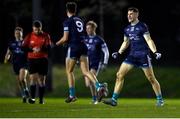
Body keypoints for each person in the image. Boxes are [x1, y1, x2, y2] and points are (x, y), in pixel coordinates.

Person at [103, 7, 164, 106]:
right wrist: (119, 52)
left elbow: (149, 40)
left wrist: (155, 51)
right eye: (128, 14)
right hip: (132, 56)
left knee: (151, 79)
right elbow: (126, 42)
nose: (129, 16)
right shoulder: (127, 29)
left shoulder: (142, 26)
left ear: (136, 14)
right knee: (119, 75)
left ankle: (160, 100)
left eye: (131, 14)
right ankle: (114, 100)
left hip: (143, 55)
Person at [56, 2, 108, 103]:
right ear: (75, 10)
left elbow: (65, 38)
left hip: (75, 47)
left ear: (67, 11)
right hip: (83, 46)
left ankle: (72, 95)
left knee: (69, 71)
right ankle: (99, 86)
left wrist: (56, 44)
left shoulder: (67, 21)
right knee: (86, 71)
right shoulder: (80, 20)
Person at [22, 20, 52, 104]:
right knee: (32, 78)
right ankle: (32, 98)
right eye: (35, 29)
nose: (37, 31)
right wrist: (32, 49)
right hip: (32, 59)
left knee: (41, 80)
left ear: (41, 28)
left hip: (43, 59)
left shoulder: (46, 36)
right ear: (33, 28)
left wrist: (41, 49)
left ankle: (41, 99)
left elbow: (49, 48)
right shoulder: (29, 36)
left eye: (38, 29)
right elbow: (23, 48)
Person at [84, 21, 109, 104]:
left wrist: (105, 63)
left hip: (96, 63)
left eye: (89, 28)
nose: (87, 30)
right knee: (88, 83)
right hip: (86, 62)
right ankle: (102, 87)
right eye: (86, 28)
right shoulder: (85, 39)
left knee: (91, 78)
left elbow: (106, 52)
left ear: (94, 29)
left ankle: (95, 99)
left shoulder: (99, 40)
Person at [4, 27, 30, 103]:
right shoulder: (12, 43)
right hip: (15, 64)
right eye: (16, 33)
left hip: (24, 63)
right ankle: (23, 95)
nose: (17, 34)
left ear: (22, 33)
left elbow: (30, 51)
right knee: (19, 81)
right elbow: (8, 52)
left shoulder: (25, 42)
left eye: (19, 33)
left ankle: (26, 90)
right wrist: (6, 58)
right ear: (14, 34)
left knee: (22, 78)